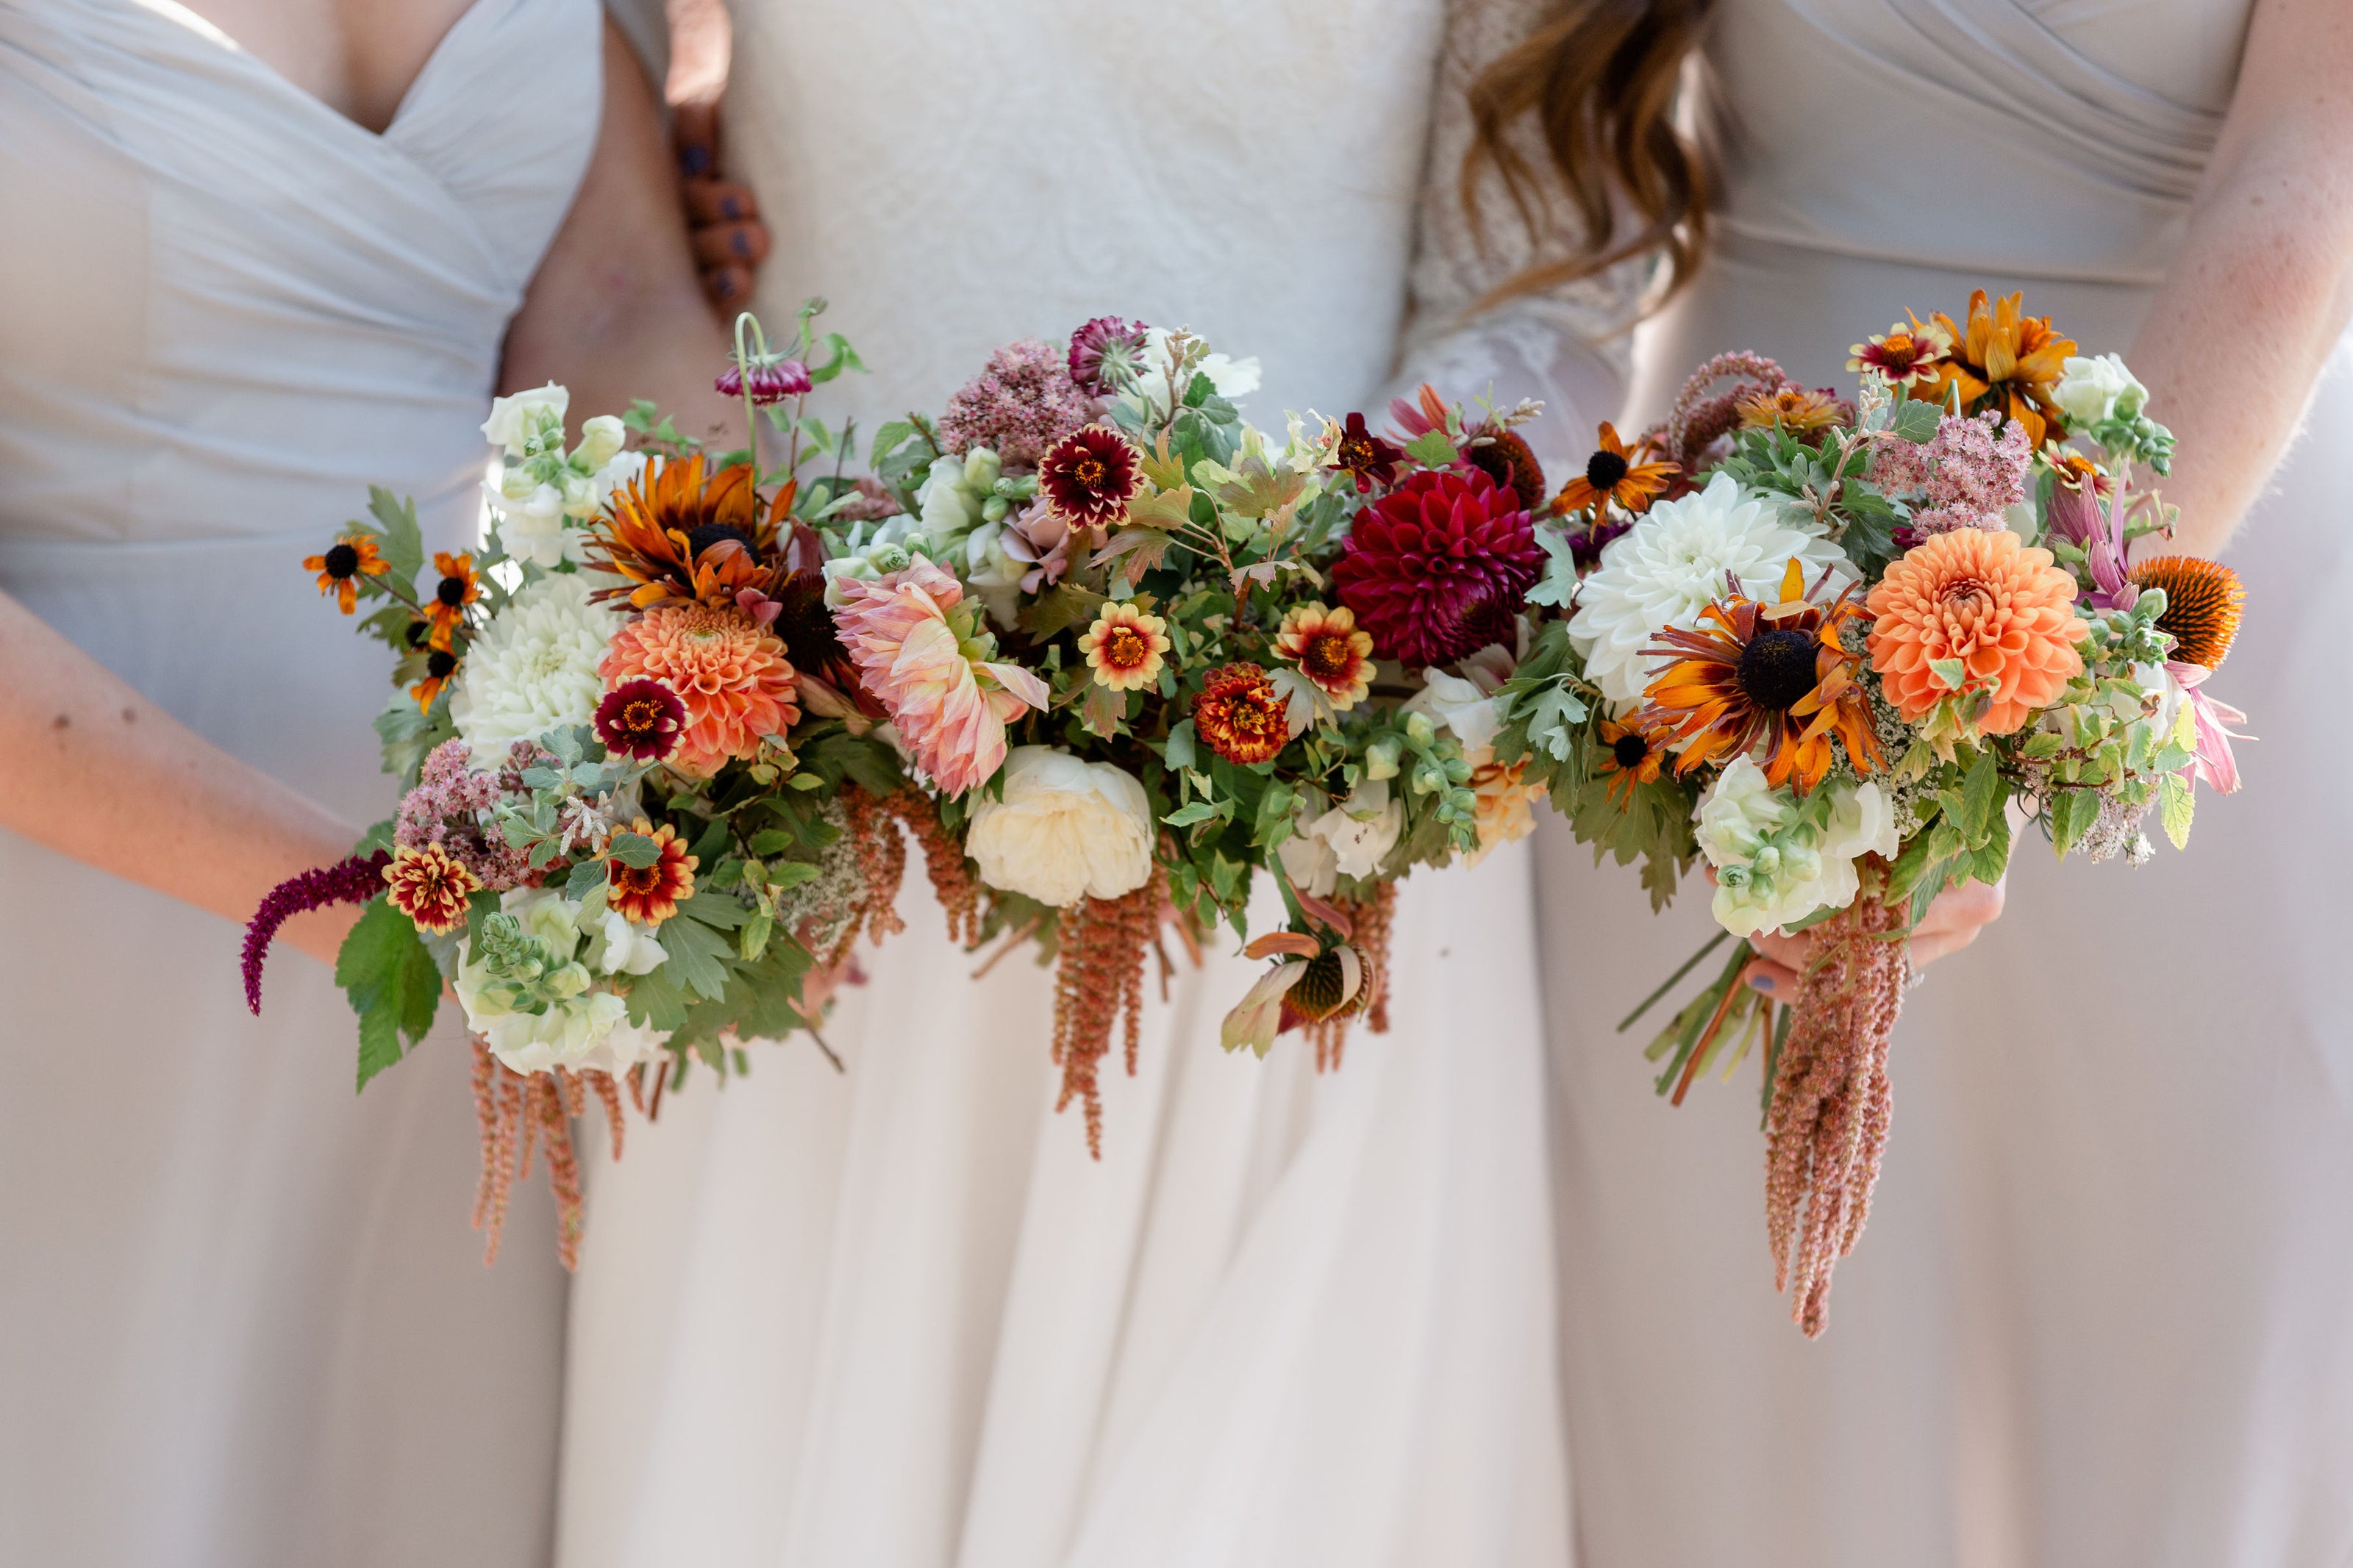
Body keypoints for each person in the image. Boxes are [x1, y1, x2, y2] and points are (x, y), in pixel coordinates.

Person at [552, 2, 1621, 1563]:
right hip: (816, 778)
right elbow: (601, 216)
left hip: (1306, 795)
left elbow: (1543, 294)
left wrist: (1273, 597)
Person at [1515, 0, 2353, 1561]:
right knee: (1743, 1395)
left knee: (2187, 1364)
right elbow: (1548, 188)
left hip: (2188, 572)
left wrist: (1998, 718)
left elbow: (2302, 197)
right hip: (1726, 612)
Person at [0, 0, 736, 1560]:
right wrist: (365, 903)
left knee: (406, 1471)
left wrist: (694, 715)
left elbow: (616, 304)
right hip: (81, 918)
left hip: (482, 958)